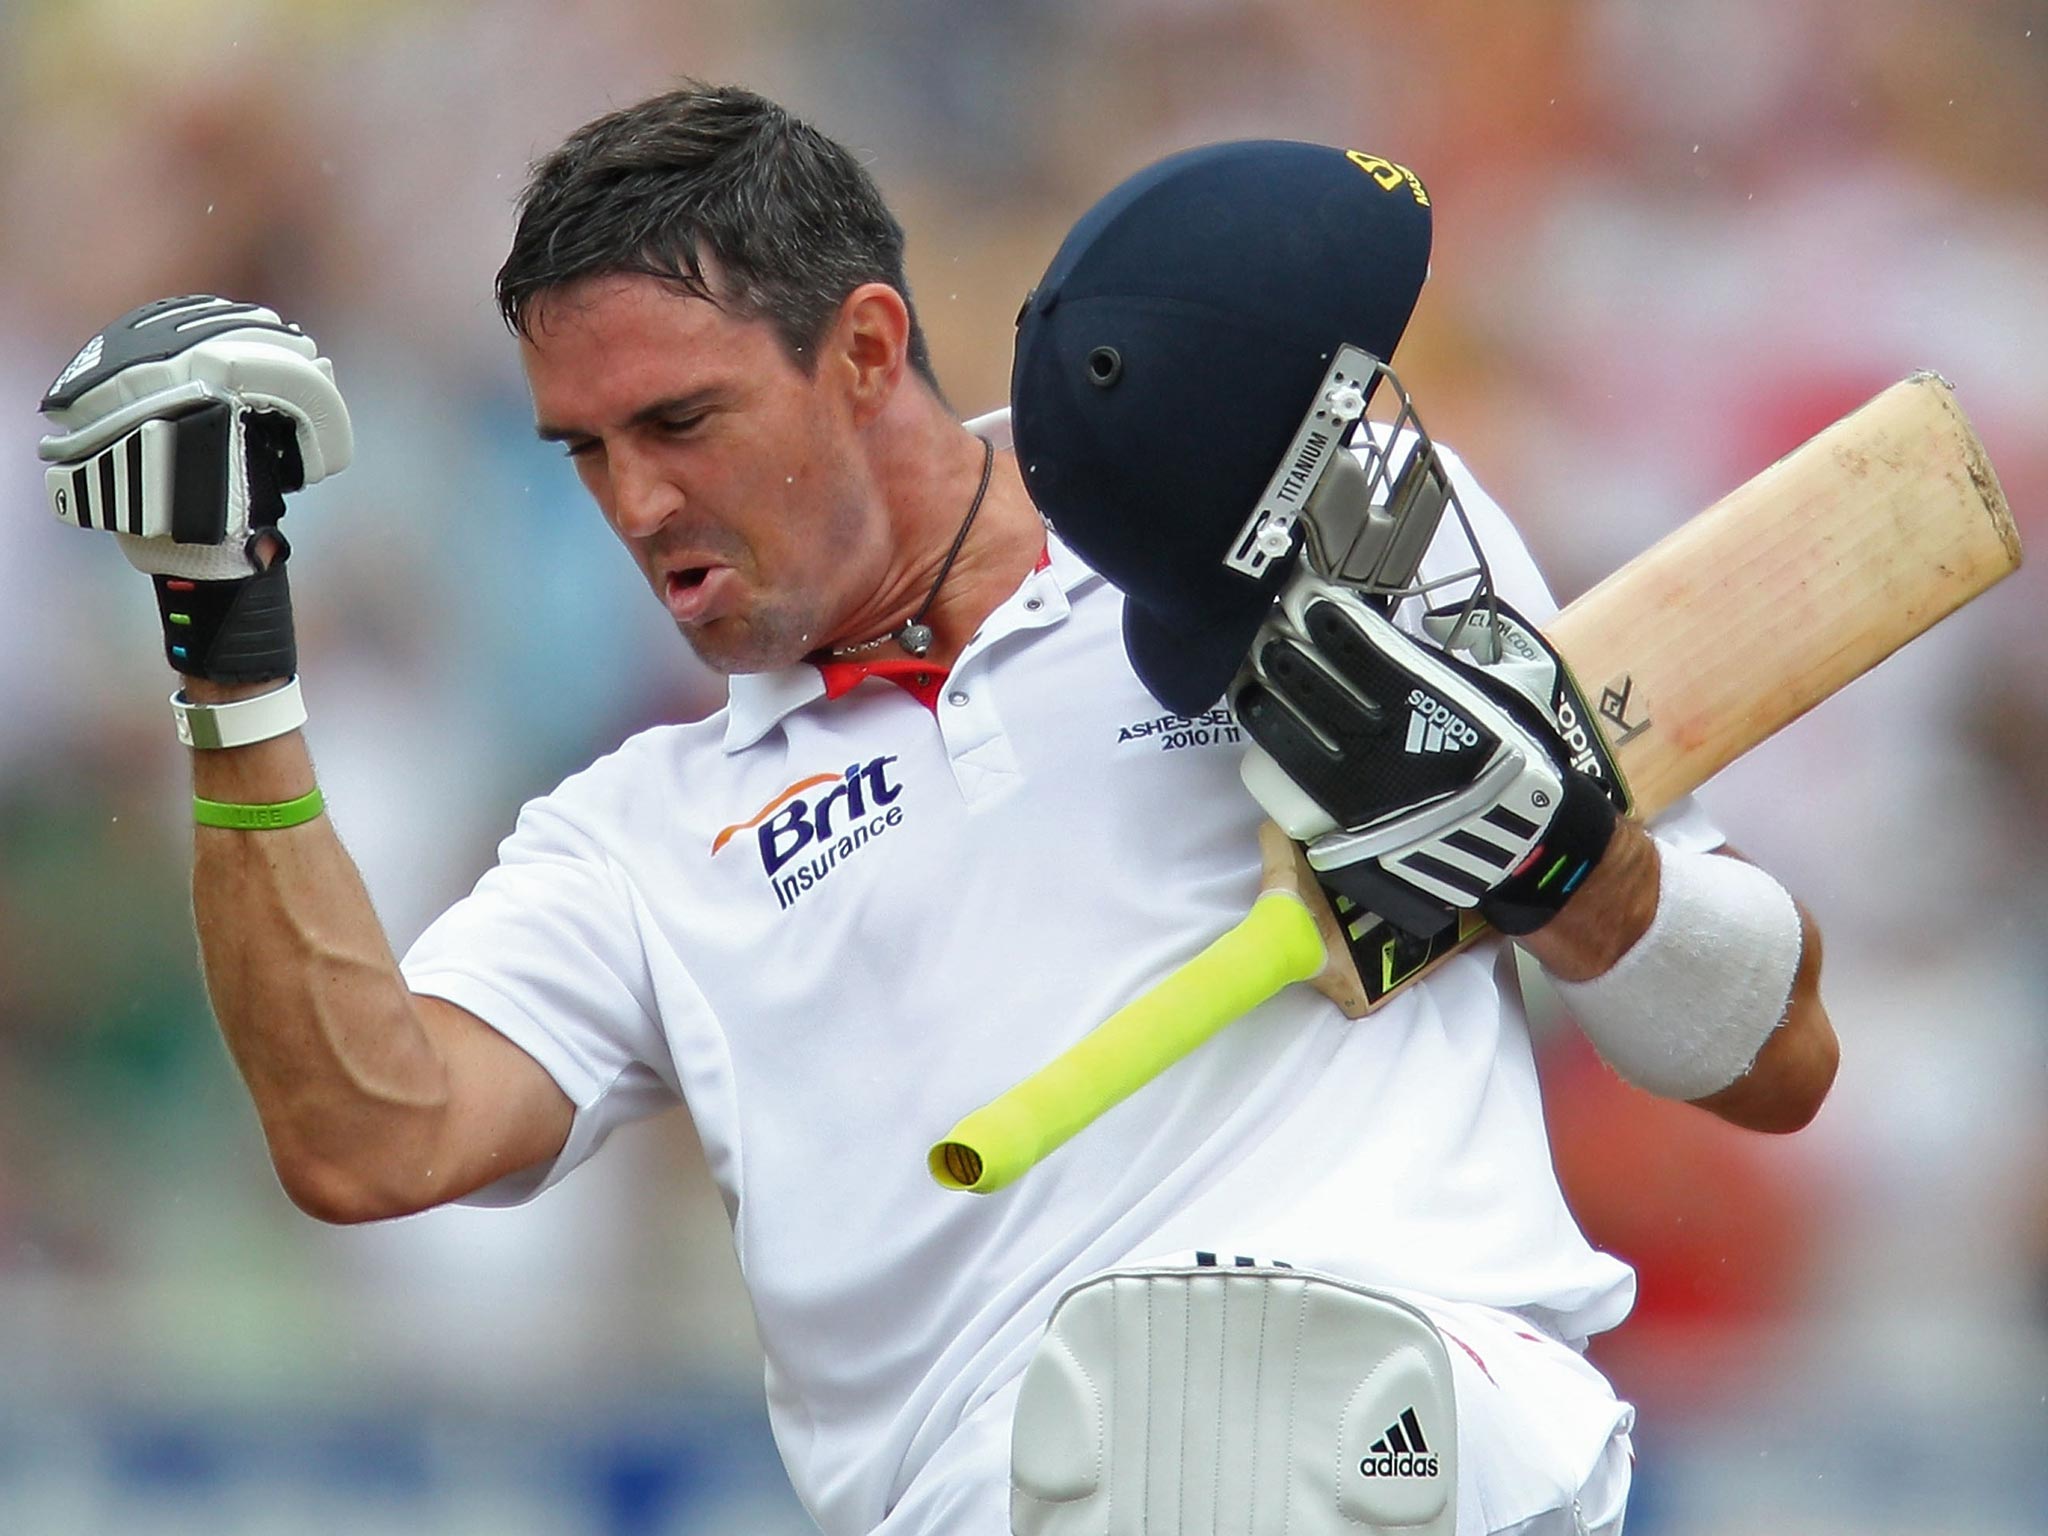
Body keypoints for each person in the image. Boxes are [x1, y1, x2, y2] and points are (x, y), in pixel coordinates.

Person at [37, 83, 1836, 1536]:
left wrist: (1574, 876)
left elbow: (1776, 1061)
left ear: (870, 346)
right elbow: (373, 1135)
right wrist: (228, 648)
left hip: (1437, 1462)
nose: (638, 503)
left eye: (681, 419)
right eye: (583, 452)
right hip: (1017, 1497)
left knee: (1251, 1422)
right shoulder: (642, 829)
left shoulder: (1279, 511)